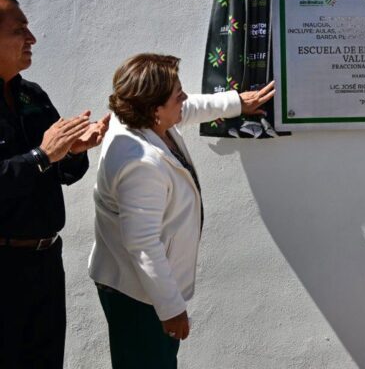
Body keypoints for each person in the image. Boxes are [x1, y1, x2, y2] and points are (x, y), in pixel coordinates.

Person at [87, 54, 274, 368]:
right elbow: (142, 243)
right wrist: (171, 308)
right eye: (177, 94)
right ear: (155, 108)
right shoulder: (139, 162)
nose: (184, 99)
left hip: (144, 289)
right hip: (139, 295)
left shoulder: (139, 117)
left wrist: (234, 103)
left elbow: (188, 109)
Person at [0, 0, 109, 368]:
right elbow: (36, 162)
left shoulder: (32, 95)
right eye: (19, 30)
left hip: (45, 263)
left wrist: (75, 150)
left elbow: (60, 173)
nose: (32, 38)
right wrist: (41, 155)